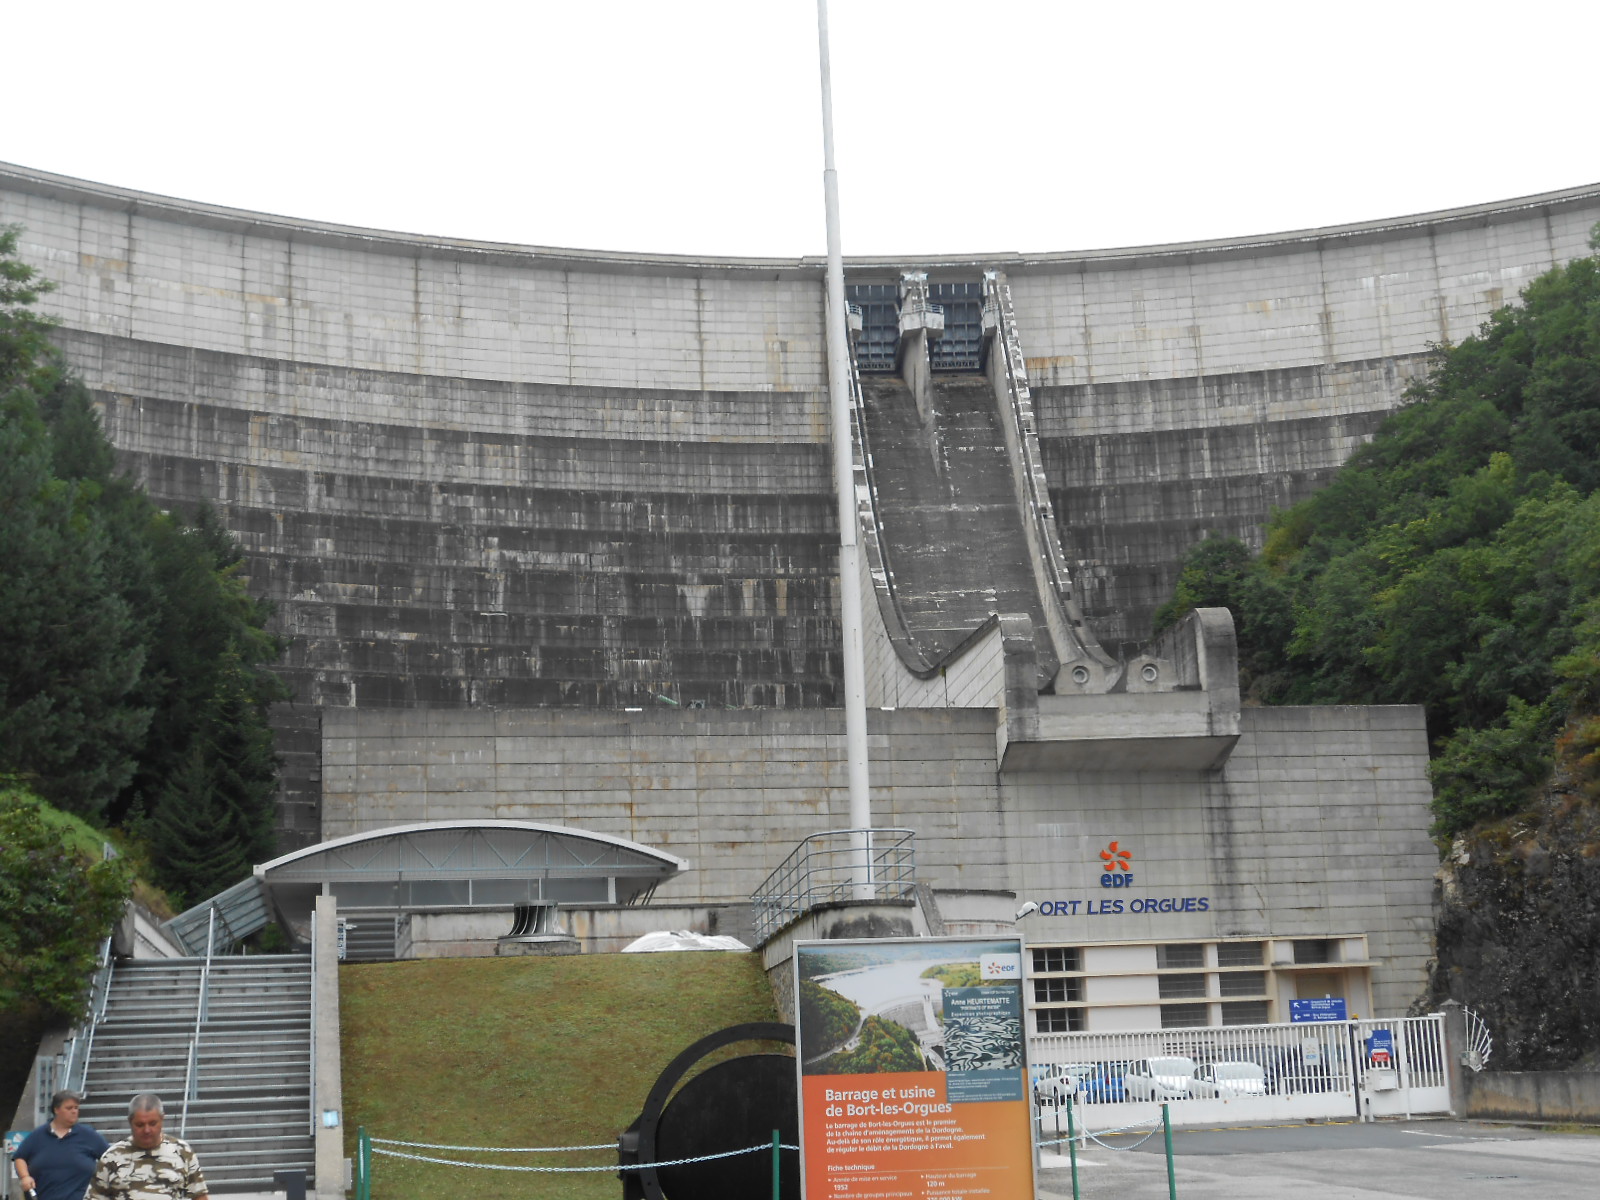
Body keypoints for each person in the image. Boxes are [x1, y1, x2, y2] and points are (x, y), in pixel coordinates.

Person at [83, 1094, 208, 1200]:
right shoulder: (111, 1158)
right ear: (130, 1122)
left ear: (162, 1119)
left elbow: (200, 1196)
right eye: (140, 1125)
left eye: (153, 1123)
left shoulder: (182, 1152)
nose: (147, 1130)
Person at [10, 1089, 109, 1200]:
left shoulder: (89, 1135)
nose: (74, 1111)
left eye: (76, 1108)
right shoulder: (38, 1135)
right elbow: (20, 1157)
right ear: (56, 1109)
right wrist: (25, 1177)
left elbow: (111, 1158)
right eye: (69, 1108)